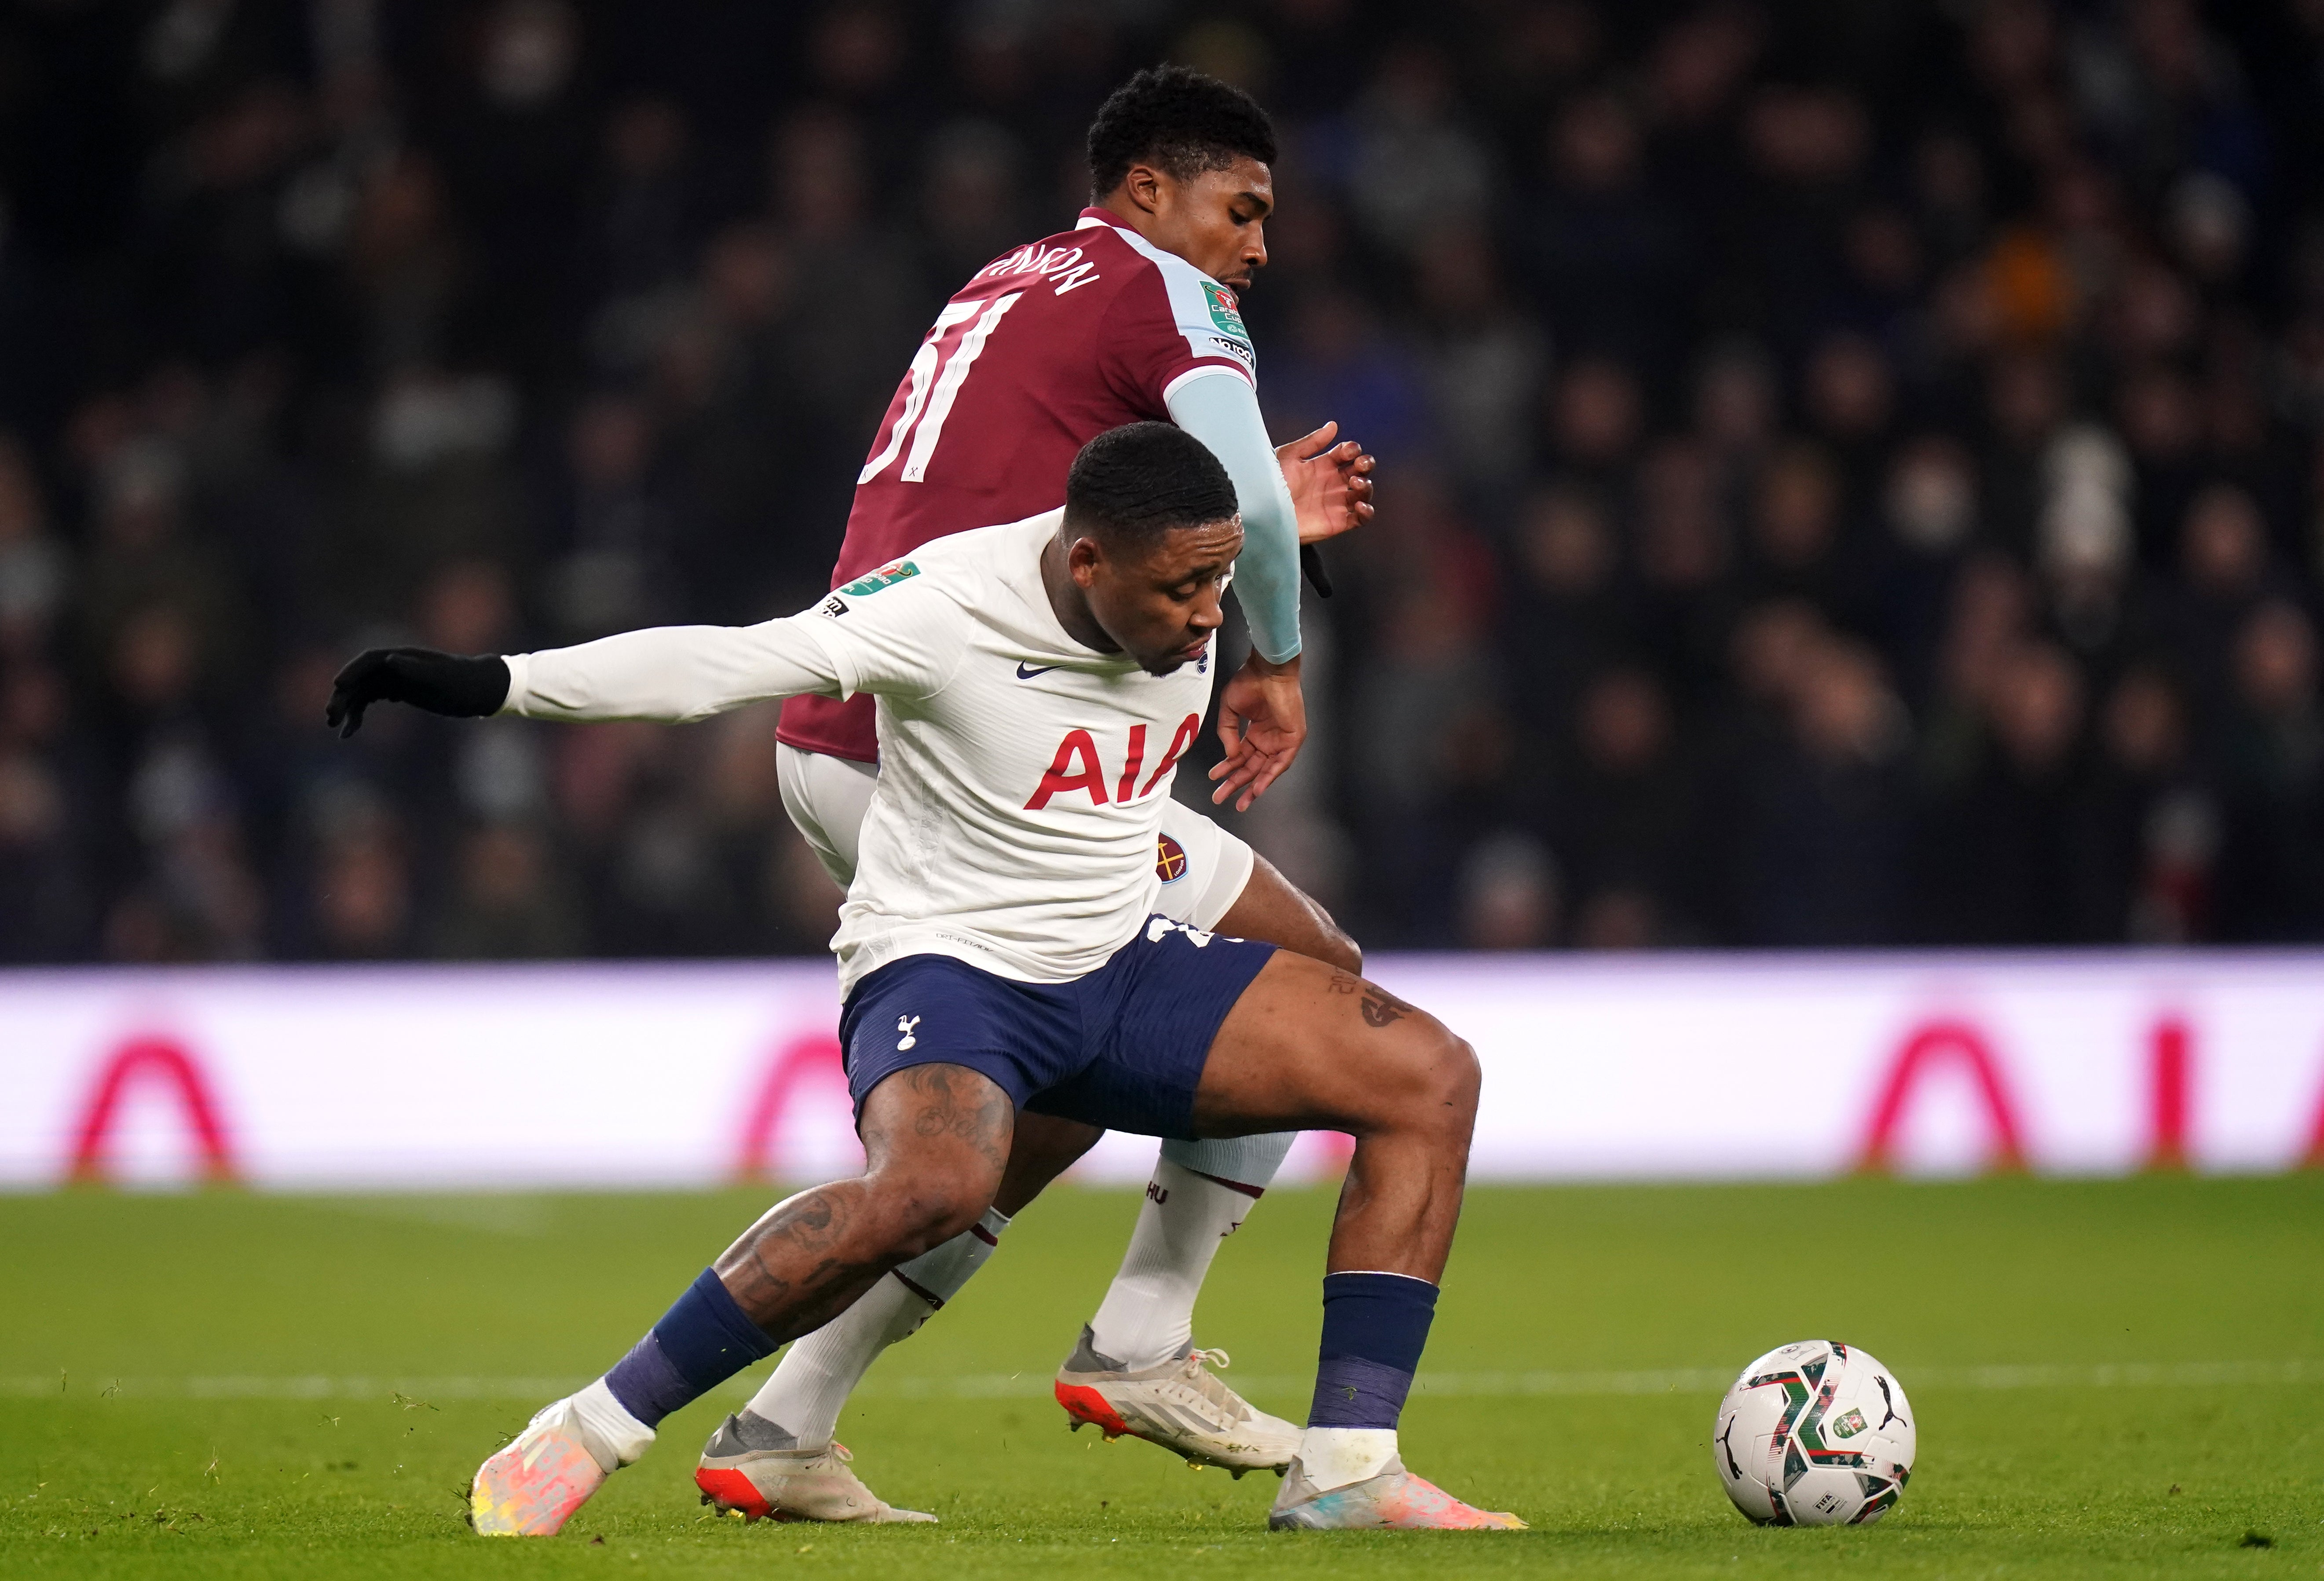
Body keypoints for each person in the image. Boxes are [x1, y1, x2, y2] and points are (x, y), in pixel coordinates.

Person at [327, 423, 1519, 1534]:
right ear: (1085, 558)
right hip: (952, 971)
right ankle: (592, 1421)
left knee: (1426, 1072)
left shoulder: (1181, 563)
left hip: (1116, 958)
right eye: (1181, 592)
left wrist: (1272, 522)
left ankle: (1344, 1466)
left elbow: (1230, 544)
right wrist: (490, 683)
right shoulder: (943, 607)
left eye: (1221, 582)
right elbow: (718, 666)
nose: (1211, 619)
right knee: (932, 1186)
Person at [721, 66, 1373, 1518]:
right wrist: (1275, 653)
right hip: (963, 754)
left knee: (1038, 1115)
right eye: (1240, 208)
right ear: (1150, 194)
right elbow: (1239, 512)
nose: (1257, 248)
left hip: (856, 736)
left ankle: (787, 1419)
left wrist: (1246, 495)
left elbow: (1057, 503)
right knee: (1306, 976)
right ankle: (1142, 1337)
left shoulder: (1009, 282)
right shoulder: (1166, 293)